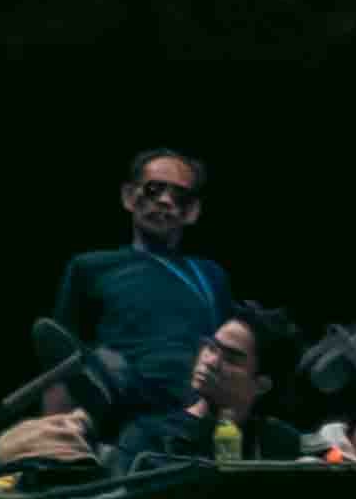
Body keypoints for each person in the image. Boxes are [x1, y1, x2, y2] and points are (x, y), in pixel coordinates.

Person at [48, 149, 236, 424]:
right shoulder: (91, 267)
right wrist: (52, 436)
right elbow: (61, 364)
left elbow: (230, 360)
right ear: (128, 196)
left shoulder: (210, 276)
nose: (164, 200)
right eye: (154, 189)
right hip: (120, 424)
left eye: (179, 196)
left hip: (193, 424)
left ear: (192, 211)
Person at [104, 309, 304, 479]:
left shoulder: (278, 442)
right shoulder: (148, 439)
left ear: (261, 384)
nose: (209, 361)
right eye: (211, 347)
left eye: (231, 359)